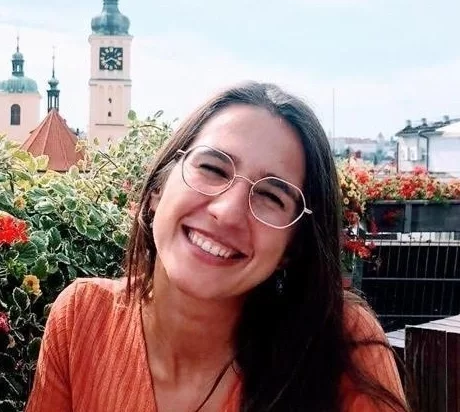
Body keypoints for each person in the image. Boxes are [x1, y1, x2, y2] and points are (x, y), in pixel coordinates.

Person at [26, 82, 408, 411]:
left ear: (292, 246)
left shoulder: (339, 348)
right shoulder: (83, 320)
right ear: (158, 188)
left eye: (271, 197)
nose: (227, 212)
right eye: (212, 168)